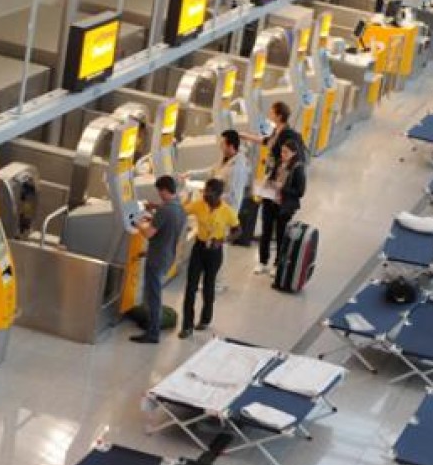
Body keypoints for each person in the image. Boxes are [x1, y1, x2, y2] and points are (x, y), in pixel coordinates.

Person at [179, 178, 241, 339]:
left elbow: (238, 230)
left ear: (218, 195)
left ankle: (205, 319)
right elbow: (182, 210)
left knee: (208, 285)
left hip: (214, 252)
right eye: (205, 191)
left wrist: (223, 240)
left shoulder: (227, 211)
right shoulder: (199, 204)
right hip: (199, 248)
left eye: (209, 192)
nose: (205, 194)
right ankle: (187, 326)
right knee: (191, 286)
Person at [131, 175, 187, 344]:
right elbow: (166, 233)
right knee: (153, 294)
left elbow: (149, 233)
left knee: (154, 297)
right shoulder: (180, 209)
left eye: (159, 191)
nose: (158, 195)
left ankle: (153, 333)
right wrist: (155, 208)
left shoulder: (165, 210)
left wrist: (136, 222)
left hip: (157, 259)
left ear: (163, 190)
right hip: (167, 256)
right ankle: (150, 323)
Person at [255, 138, 306, 276]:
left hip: (284, 206)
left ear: (294, 153)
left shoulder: (298, 169)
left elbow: (300, 192)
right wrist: (266, 185)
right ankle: (262, 261)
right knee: (265, 233)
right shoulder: (278, 162)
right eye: (282, 151)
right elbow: (271, 178)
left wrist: (282, 188)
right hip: (269, 201)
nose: (282, 154)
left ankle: (278, 264)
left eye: (286, 152)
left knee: (280, 235)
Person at [179, 129, 250, 212]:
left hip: (226, 211)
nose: (220, 146)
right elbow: (211, 172)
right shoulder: (226, 158)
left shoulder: (237, 169)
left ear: (230, 146)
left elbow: (231, 197)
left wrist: (208, 195)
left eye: (222, 144)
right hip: (216, 206)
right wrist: (190, 174)